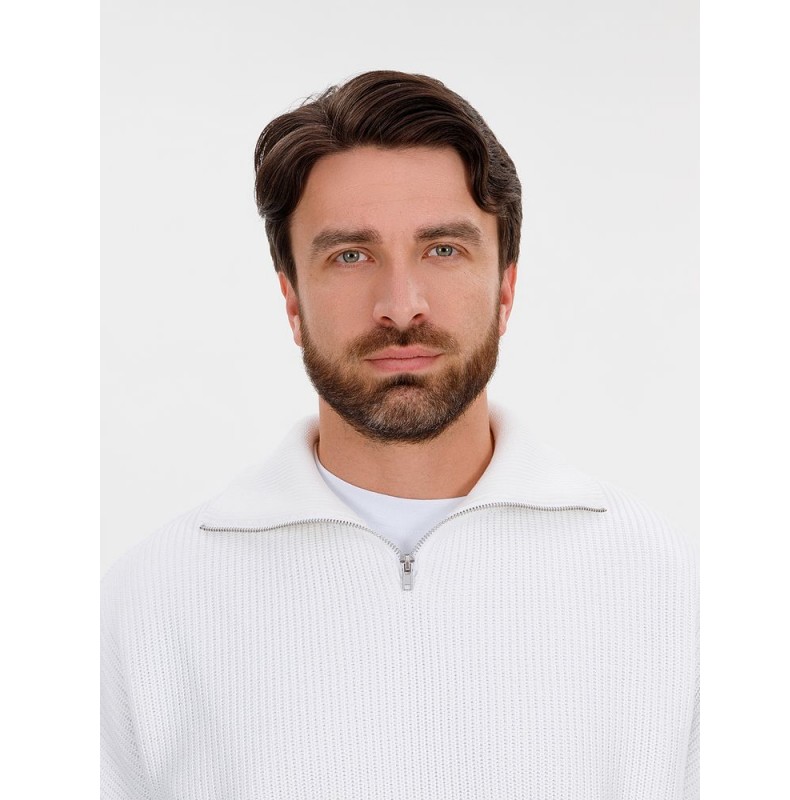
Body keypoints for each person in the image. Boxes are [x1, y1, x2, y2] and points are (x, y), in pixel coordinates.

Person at [101, 70, 698, 799]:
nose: (401, 305)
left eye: (442, 249)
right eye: (350, 255)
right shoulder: (146, 607)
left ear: (506, 288)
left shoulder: (669, 592)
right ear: (292, 300)